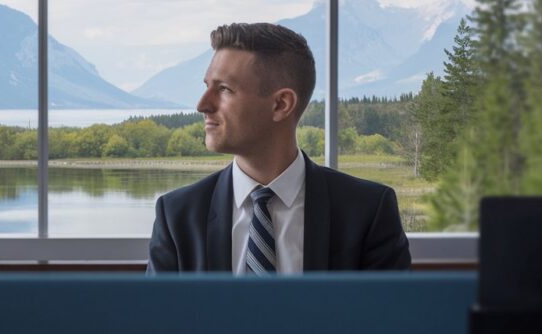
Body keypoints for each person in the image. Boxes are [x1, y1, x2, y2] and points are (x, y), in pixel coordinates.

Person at [147, 23, 411, 274]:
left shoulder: (367, 211)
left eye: (224, 89)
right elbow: (159, 321)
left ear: (281, 104)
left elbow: (388, 319)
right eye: (207, 87)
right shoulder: (176, 215)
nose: (202, 105)